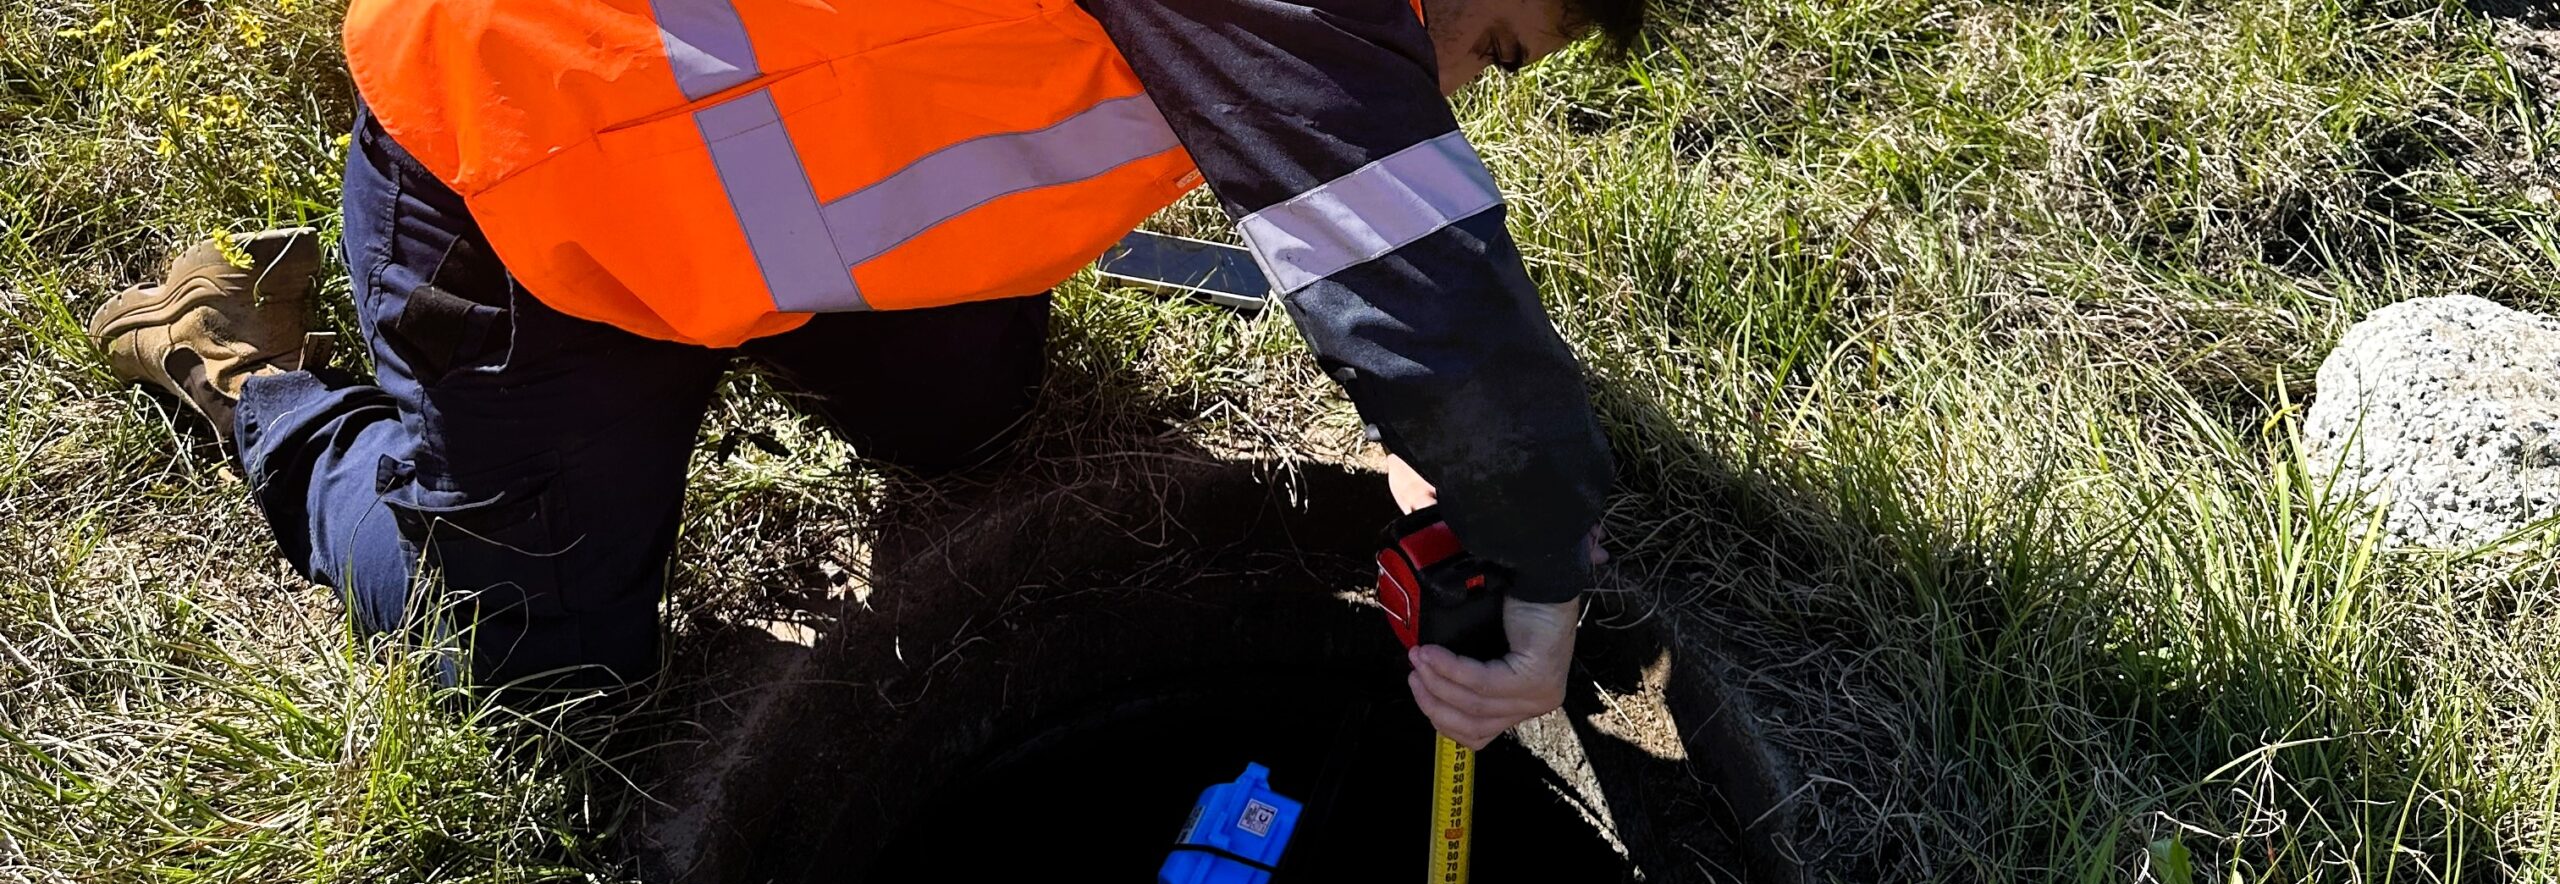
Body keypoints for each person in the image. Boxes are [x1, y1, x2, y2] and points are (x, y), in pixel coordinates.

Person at [89, 0, 1636, 749]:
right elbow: (1411, 275)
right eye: (1495, 43)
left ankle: (761, 350)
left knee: (978, 425)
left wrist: (1452, 428)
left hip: (778, 179)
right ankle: (247, 373)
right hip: (534, 182)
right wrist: (1541, 556)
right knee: (540, 681)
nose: (1454, 88)